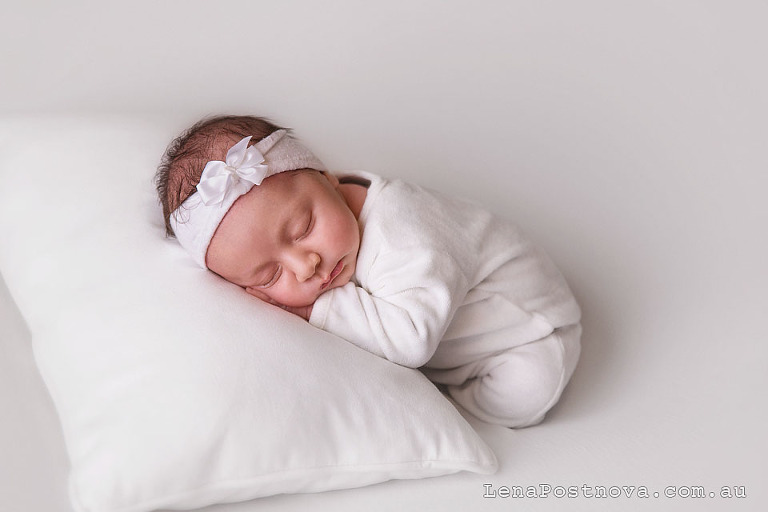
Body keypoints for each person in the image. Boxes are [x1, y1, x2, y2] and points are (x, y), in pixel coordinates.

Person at [155, 115, 581, 428]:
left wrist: (311, 312)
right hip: (444, 332)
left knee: (527, 392)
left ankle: (453, 394)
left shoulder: (404, 228)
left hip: (527, 328)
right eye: (268, 276)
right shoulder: (331, 239)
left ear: (329, 179)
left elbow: (410, 341)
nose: (307, 265)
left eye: (304, 228)